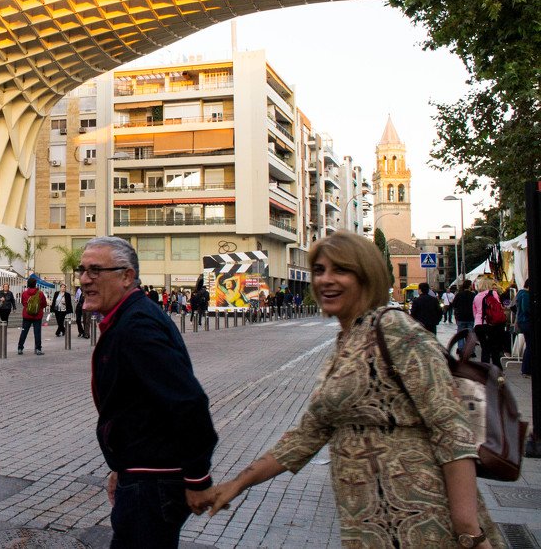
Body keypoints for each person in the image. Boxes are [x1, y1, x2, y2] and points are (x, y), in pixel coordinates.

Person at [205, 232, 501, 549]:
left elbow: (451, 426)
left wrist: (468, 529)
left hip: (426, 524)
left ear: (366, 276)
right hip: (369, 528)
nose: (326, 280)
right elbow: (306, 437)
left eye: (340, 270)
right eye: (319, 271)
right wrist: (236, 485)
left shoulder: (394, 329)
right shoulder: (347, 342)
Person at [81, 236, 217, 548]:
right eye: (83, 270)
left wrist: (198, 479)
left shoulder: (137, 326)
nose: (85, 279)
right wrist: (122, 467)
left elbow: (188, 402)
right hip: (142, 476)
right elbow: (135, 407)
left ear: (126, 277)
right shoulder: (128, 318)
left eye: (95, 271)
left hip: (153, 486)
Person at [473, 277, 506, 367]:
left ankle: (485, 369)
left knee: (485, 348)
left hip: (479, 325)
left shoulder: (476, 296)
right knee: (494, 348)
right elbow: (498, 308)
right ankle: (497, 370)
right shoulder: (493, 293)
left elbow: (475, 313)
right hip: (491, 324)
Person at [17, 277, 47, 355]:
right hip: (37, 316)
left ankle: (20, 348)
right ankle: (38, 349)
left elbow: (24, 303)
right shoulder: (40, 293)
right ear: (35, 284)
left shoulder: (24, 293)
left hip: (27, 315)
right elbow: (44, 304)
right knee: (37, 332)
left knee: (24, 332)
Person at [516, 279, 531, 377]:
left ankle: (526, 369)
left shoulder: (520, 293)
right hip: (527, 322)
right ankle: (526, 369)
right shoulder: (525, 294)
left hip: (522, 322)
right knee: (530, 345)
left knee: (529, 345)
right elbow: (526, 309)